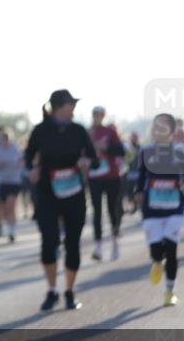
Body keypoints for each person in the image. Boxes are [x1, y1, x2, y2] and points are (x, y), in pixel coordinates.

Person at [24, 90, 98, 312]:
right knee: (49, 240)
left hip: (74, 192)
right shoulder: (41, 130)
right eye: (70, 104)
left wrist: (87, 162)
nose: (73, 108)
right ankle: (52, 290)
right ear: (58, 107)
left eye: (74, 104)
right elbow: (28, 156)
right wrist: (31, 170)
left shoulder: (78, 130)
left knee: (73, 243)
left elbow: (94, 159)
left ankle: (69, 291)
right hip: (47, 191)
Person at [134, 114, 184, 306]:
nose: (158, 131)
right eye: (156, 127)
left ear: (172, 130)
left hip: (175, 207)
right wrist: (137, 192)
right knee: (156, 252)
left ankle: (169, 291)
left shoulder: (180, 152)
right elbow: (140, 176)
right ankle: (157, 262)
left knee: (171, 249)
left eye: (163, 127)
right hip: (151, 209)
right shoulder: (146, 151)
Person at [87, 105, 125, 261]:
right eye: (95, 114)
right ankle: (98, 247)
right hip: (95, 176)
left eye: (100, 114)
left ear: (104, 116)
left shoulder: (110, 131)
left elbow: (120, 151)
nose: (97, 117)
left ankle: (115, 242)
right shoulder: (87, 133)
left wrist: (106, 147)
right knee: (96, 211)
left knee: (112, 210)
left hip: (111, 176)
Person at [124, 131, 143, 215]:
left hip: (138, 172)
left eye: (136, 137)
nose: (134, 138)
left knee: (137, 190)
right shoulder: (127, 147)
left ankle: (137, 206)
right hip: (129, 172)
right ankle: (133, 204)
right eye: (133, 137)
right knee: (129, 190)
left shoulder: (140, 147)